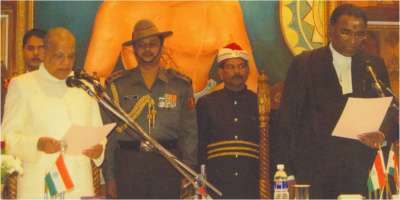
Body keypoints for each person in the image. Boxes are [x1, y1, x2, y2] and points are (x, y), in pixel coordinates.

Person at [275, 4, 399, 199]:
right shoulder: (305, 64)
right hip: (315, 172)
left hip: (361, 170)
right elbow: (286, 122)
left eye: (360, 35)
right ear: (331, 30)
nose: (352, 41)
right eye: (346, 33)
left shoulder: (373, 65)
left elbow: (390, 113)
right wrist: (288, 175)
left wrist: (382, 135)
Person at [1, 27, 106, 199]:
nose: (66, 62)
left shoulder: (84, 86)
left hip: (80, 185)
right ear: (43, 54)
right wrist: (37, 144)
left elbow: (98, 132)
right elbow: (5, 140)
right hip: (39, 186)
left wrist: (99, 148)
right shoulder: (22, 85)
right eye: (59, 56)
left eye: (71, 55)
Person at [101, 19, 198, 199]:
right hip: (128, 163)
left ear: (161, 46)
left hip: (169, 164)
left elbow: (189, 132)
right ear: (134, 49)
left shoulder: (179, 85)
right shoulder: (118, 86)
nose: (147, 49)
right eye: (141, 45)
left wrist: (188, 171)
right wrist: (109, 176)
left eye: (153, 44)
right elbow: (109, 134)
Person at [83, 1, 259, 94]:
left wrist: (204, 106)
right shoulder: (118, 8)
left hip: (200, 108)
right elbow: (87, 83)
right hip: (138, 110)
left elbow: (251, 83)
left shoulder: (221, 7)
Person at [196, 43, 260, 199]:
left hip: (251, 184)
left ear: (248, 71)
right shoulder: (206, 103)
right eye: (230, 67)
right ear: (220, 73)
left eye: (241, 66)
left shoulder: (260, 103)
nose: (236, 71)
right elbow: (199, 145)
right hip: (216, 184)